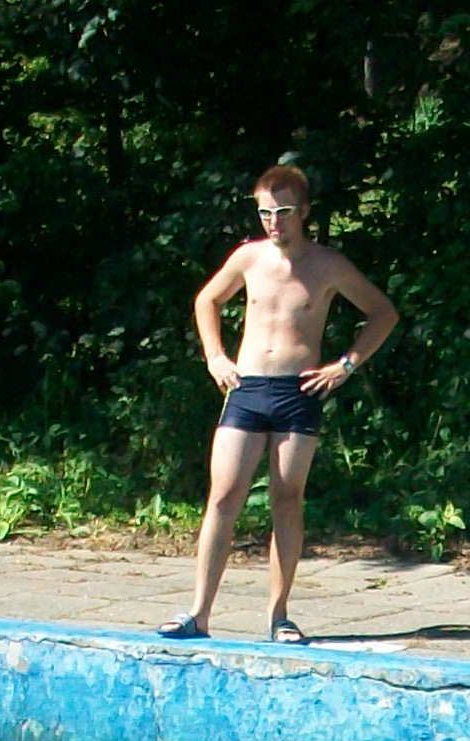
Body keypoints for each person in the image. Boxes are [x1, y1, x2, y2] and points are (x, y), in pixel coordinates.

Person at [160, 163, 400, 646]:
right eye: (266, 212)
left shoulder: (328, 265)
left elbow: (383, 313)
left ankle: (279, 615)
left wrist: (345, 365)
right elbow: (207, 301)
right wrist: (215, 356)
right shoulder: (248, 257)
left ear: (304, 211)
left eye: (284, 211)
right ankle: (198, 614)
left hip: (298, 391)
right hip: (247, 388)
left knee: (286, 497)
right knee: (223, 496)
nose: (274, 221)